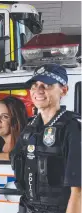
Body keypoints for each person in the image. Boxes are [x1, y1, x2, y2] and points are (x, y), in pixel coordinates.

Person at [10, 64, 81, 213]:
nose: (38, 90)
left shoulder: (72, 129)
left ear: (64, 90)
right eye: (34, 85)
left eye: (47, 85)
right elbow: (18, 156)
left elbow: (78, 192)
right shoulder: (31, 127)